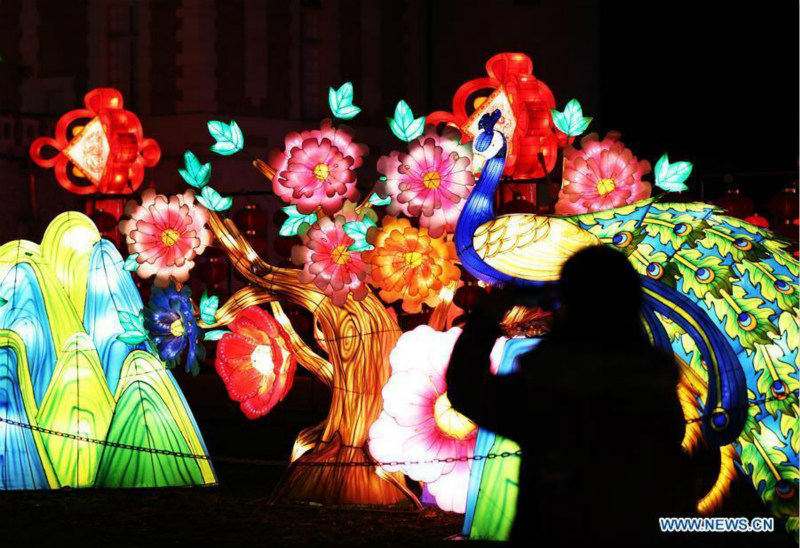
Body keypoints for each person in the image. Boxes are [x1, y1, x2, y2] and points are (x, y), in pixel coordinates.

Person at [447, 246, 694, 546]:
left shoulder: (546, 386)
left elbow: (467, 389)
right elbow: (672, 436)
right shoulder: (650, 382)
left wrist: (486, 318)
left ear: (567, 303)